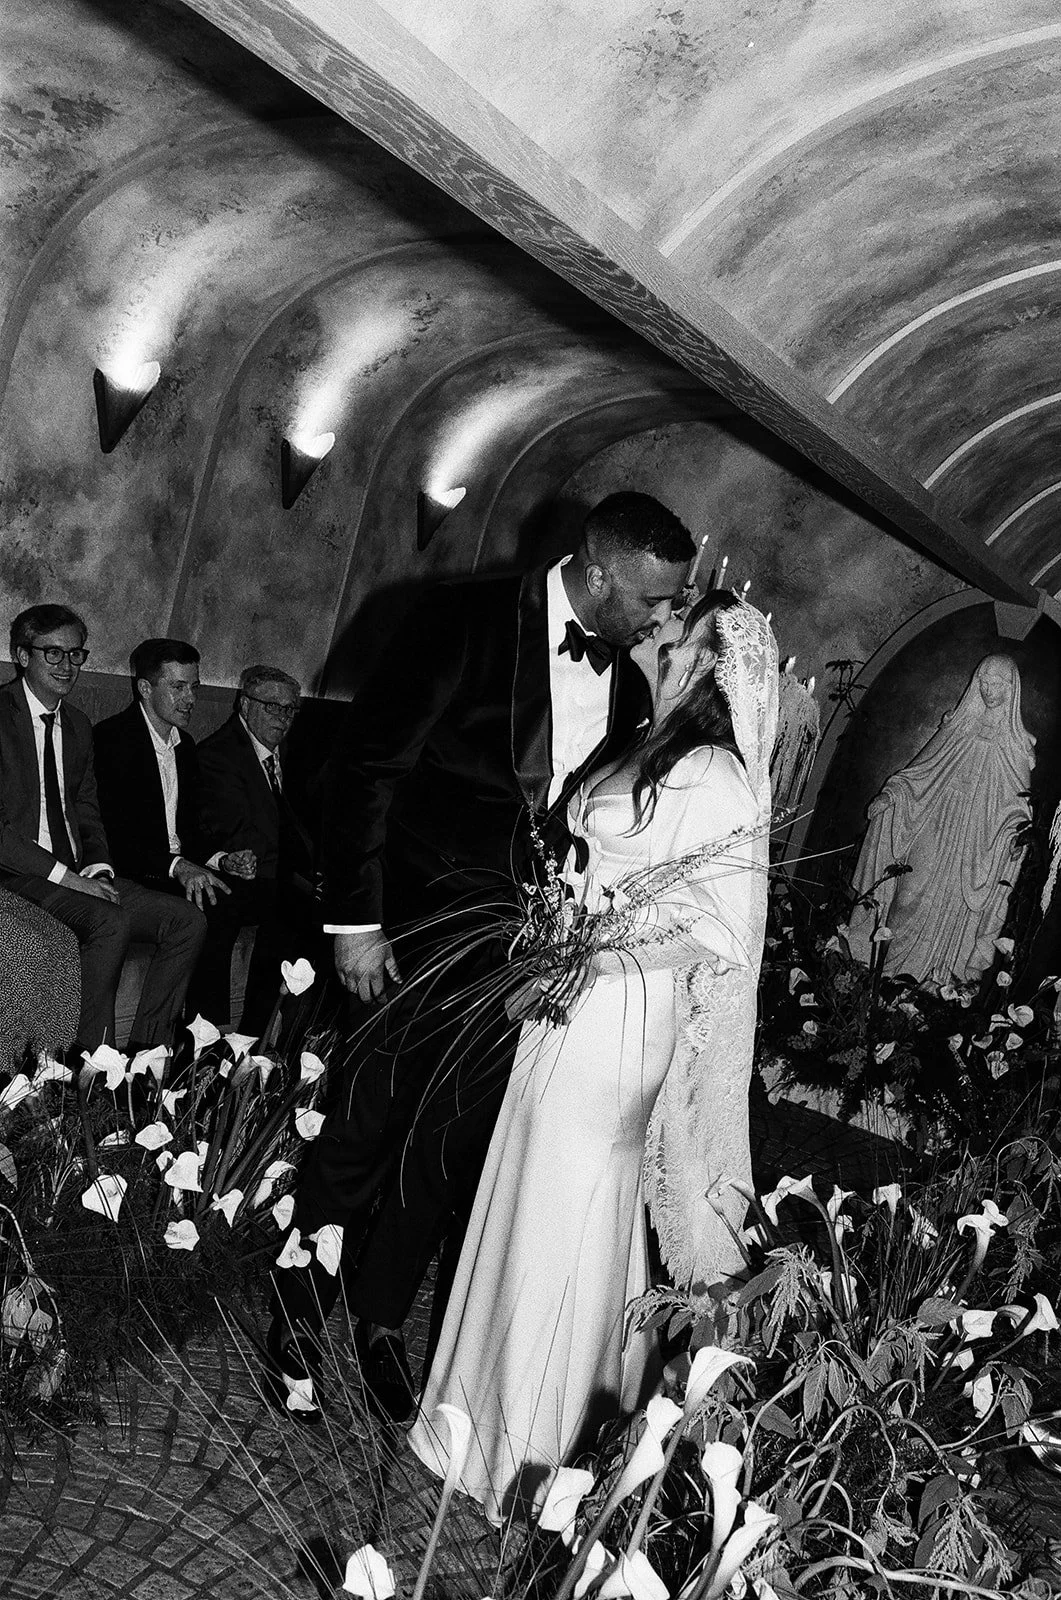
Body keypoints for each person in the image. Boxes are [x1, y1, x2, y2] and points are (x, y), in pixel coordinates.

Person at [270, 492, 695, 1421]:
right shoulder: (456, 619)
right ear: (597, 573)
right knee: (363, 1125)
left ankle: (380, 1322)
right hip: (410, 933)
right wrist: (354, 923)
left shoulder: (629, 685)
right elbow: (365, 770)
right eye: (650, 600)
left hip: (520, 960)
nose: (661, 619)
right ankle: (297, 1309)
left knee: (447, 1143)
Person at [407, 592, 777, 1522]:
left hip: (618, 1018)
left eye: (678, 622)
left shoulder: (717, 778)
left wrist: (586, 957)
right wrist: (547, 943)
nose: (658, 623)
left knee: (569, 1211)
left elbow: (715, 931)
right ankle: (471, 1421)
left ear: (706, 660)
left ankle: (533, 1453)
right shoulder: (638, 744)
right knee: (521, 1193)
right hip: (560, 1002)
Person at [0, 606, 206, 1054]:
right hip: (19, 872)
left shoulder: (76, 725)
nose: (67, 666)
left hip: (77, 869)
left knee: (186, 920)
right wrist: (70, 879)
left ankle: (149, 1054)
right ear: (21, 655)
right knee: (109, 921)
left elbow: (87, 808)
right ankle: (94, 1064)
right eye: (52, 653)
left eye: (76, 654)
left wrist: (99, 869)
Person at [846, 653, 1035, 988]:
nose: (989, 689)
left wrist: (1015, 836)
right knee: (907, 897)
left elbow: (1018, 807)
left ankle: (923, 989)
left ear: (1011, 689)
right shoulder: (958, 726)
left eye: (997, 683)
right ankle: (883, 979)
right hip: (936, 820)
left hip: (977, 840)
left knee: (952, 909)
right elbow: (922, 771)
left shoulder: (1016, 746)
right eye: (984, 681)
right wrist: (892, 795)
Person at [93, 638, 248, 1026]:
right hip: (136, 871)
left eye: (194, 687)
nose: (190, 698)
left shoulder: (185, 746)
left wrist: (220, 858)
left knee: (253, 897)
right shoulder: (113, 739)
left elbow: (192, 826)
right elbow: (114, 835)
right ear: (145, 689)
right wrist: (179, 867)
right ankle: (188, 1038)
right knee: (213, 909)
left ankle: (202, 1034)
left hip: (176, 867)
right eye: (177, 687)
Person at [196, 665, 321, 1033]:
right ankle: (252, 1036)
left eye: (289, 710)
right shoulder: (219, 755)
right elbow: (240, 834)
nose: (282, 718)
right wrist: (301, 879)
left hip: (286, 875)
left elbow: (309, 825)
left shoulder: (291, 757)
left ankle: (296, 1037)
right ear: (245, 706)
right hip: (248, 874)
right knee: (292, 908)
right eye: (272, 707)